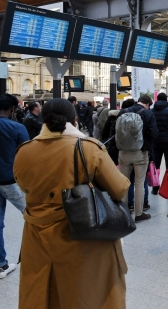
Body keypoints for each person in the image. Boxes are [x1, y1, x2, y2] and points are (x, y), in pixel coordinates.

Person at [13, 98, 130, 308]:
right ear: (74, 120)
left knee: (42, 292)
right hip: (81, 235)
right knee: (85, 294)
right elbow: (119, 188)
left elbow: (24, 186)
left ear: (43, 120)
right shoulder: (88, 148)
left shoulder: (24, 151)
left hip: (37, 238)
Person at [0, 94, 28, 279]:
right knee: (35, 213)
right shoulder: (17, 127)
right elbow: (28, 156)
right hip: (11, 180)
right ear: (12, 109)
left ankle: (1, 264)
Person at [118, 95, 158, 223]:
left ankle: (123, 212)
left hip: (123, 152)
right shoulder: (148, 114)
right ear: (147, 104)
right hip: (140, 152)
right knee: (139, 183)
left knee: (123, 182)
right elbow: (154, 133)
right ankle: (139, 214)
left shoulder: (124, 111)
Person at [151, 92, 168, 195]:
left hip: (156, 141)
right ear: (166, 99)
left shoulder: (152, 111)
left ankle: (155, 188)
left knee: (156, 165)